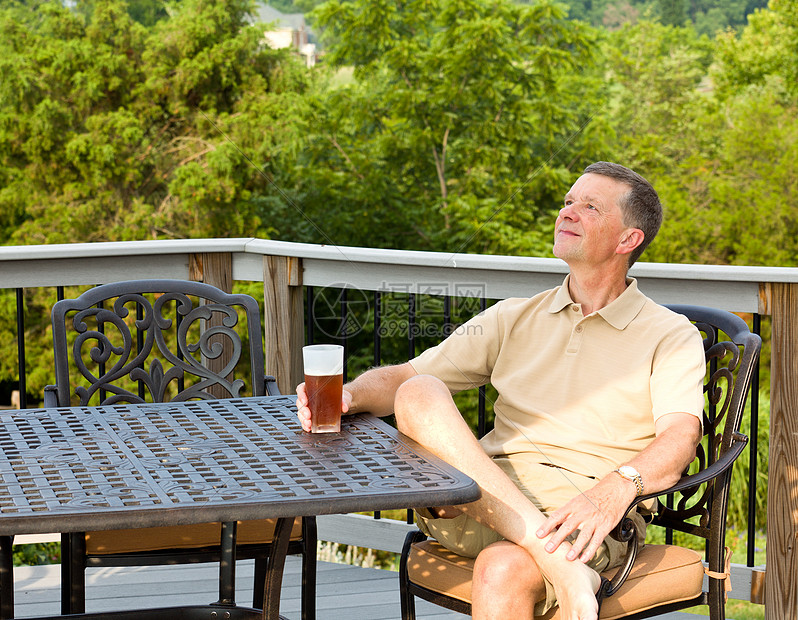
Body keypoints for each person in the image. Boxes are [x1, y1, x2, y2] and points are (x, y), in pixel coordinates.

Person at [296, 162, 706, 620]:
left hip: (587, 516)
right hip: (482, 502)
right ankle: (557, 561)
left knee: (502, 569)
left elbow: (680, 439)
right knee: (418, 391)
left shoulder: (670, 335)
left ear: (628, 240)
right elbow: (403, 378)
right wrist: (349, 395)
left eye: (590, 207)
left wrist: (614, 490)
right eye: (568, 202)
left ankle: (557, 558)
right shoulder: (514, 316)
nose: (567, 212)